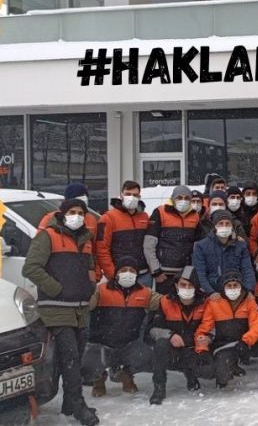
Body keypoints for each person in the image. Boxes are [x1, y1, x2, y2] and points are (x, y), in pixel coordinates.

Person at [22, 198, 99, 425]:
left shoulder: (85, 238)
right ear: (63, 214)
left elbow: (90, 267)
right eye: (72, 212)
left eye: (81, 213)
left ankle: (69, 402)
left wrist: (90, 287)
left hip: (80, 308)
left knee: (76, 356)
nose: (77, 216)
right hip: (56, 308)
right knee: (70, 357)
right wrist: (56, 289)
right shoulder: (48, 236)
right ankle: (77, 404)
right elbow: (31, 268)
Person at [82, 256, 161, 398]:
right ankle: (98, 379)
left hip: (129, 343)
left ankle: (125, 374)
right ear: (116, 273)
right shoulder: (101, 290)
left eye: (132, 271)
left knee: (148, 355)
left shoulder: (145, 292)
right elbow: (87, 304)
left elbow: (165, 303)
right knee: (88, 360)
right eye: (124, 270)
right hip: (100, 344)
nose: (128, 273)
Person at [195, 270, 258, 393]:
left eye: (235, 285)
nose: (232, 289)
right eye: (229, 286)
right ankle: (230, 366)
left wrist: (246, 340)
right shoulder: (214, 303)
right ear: (223, 287)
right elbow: (204, 328)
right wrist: (202, 349)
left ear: (241, 286)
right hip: (225, 346)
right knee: (222, 378)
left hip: (244, 343)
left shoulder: (249, 301)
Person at [148, 266, 206, 404]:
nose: (186, 288)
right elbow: (151, 330)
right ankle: (159, 387)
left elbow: (211, 326)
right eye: (183, 284)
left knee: (210, 369)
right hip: (174, 348)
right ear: (176, 285)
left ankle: (192, 374)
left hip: (195, 347)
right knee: (161, 345)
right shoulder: (165, 301)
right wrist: (170, 335)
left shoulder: (205, 302)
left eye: (190, 285)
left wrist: (206, 338)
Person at [144, 185, 200, 294]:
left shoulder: (195, 216)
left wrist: (193, 271)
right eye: (179, 197)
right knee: (164, 302)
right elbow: (149, 244)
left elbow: (197, 247)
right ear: (173, 199)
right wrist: (156, 271)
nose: (183, 200)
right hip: (164, 274)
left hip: (185, 273)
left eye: (186, 198)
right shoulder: (160, 212)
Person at [96, 180, 150, 286]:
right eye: (128, 194)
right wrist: (112, 274)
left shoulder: (144, 217)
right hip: (120, 275)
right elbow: (102, 250)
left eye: (135, 195)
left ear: (139, 197)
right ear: (121, 195)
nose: (131, 197)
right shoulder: (108, 218)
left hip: (143, 274)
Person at [192, 210, 255, 298]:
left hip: (236, 290)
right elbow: (200, 273)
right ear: (215, 225)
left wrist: (248, 290)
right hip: (213, 292)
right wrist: (210, 292)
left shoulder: (241, 246)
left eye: (227, 223)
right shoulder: (201, 246)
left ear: (232, 226)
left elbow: (247, 270)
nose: (224, 226)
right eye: (221, 223)